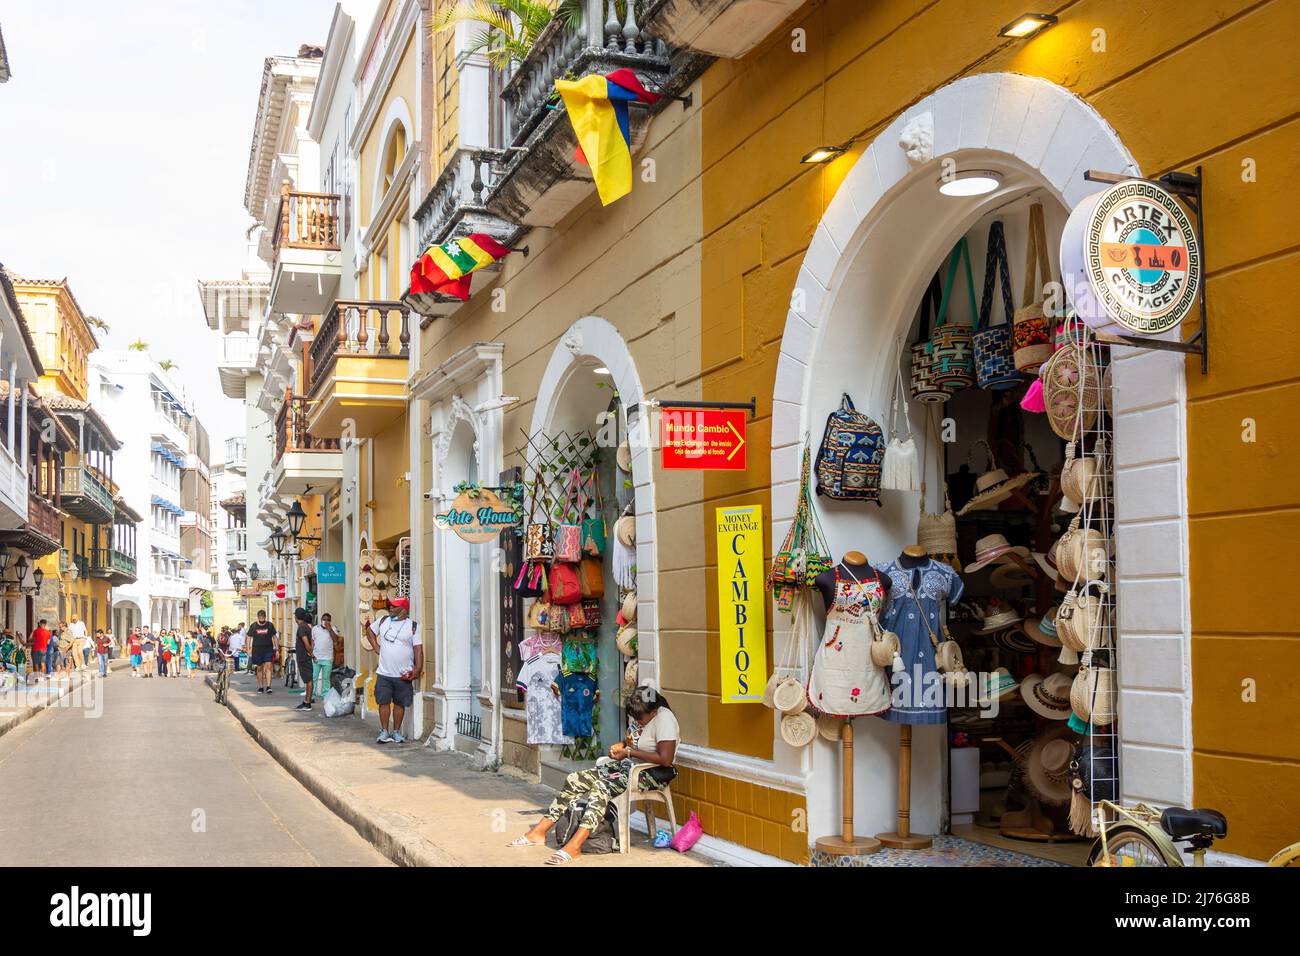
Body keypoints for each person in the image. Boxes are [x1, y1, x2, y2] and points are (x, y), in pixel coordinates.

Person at [511, 686, 679, 864]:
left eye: (639, 718)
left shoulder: (664, 719)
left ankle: (575, 846)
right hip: (628, 766)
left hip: (652, 773)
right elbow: (636, 739)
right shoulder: (642, 713)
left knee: (601, 787)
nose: (636, 720)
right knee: (574, 780)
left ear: (653, 712)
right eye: (634, 717)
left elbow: (665, 758)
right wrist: (621, 745)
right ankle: (539, 831)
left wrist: (629, 753)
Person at [361, 597, 422, 744]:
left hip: (402, 673)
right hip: (384, 673)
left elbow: (418, 649)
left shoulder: (412, 626)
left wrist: (418, 668)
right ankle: (384, 731)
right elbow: (369, 631)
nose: (390, 608)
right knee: (383, 702)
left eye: (394, 606)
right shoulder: (383, 620)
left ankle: (396, 731)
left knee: (400, 703)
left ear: (403, 610)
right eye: (390, 606)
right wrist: (376, 647)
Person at [311, 613, 339, 706]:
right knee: (314, 677)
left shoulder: (333, 629)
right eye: (324, 619)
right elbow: (312, 641)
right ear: (321, 620)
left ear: (330, 621)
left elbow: (336, 640)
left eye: (327, 620)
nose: (325, 621)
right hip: (316, 657)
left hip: (327, 658)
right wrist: (311, 653)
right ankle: (312, 696)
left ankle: (325, 696)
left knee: (326, 678)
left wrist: (329, 629)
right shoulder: (315, 629)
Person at [246, 610, 276, 694]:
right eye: (260, 617)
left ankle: (269, 687)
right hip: (257, 650)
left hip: (268, 649)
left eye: (263, 617)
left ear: (265, 617)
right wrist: (248, 649)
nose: (261, 618)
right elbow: (248, 637)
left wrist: (276, 649)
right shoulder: (254, 626)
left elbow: (274, 637)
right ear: (258, 617)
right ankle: (260, 687)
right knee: (259, 668)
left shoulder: (270, 625)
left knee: (269, 666)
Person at [292, 609, 315, 710]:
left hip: (304, 658)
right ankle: (307, 701)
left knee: (308, 680)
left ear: (296, 617)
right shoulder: (306, 626)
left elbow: (306, 642)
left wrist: (311, 653)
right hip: (305, 657)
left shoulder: (301, 628)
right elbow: (312, 641)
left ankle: (307, 702)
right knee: (308, 679)